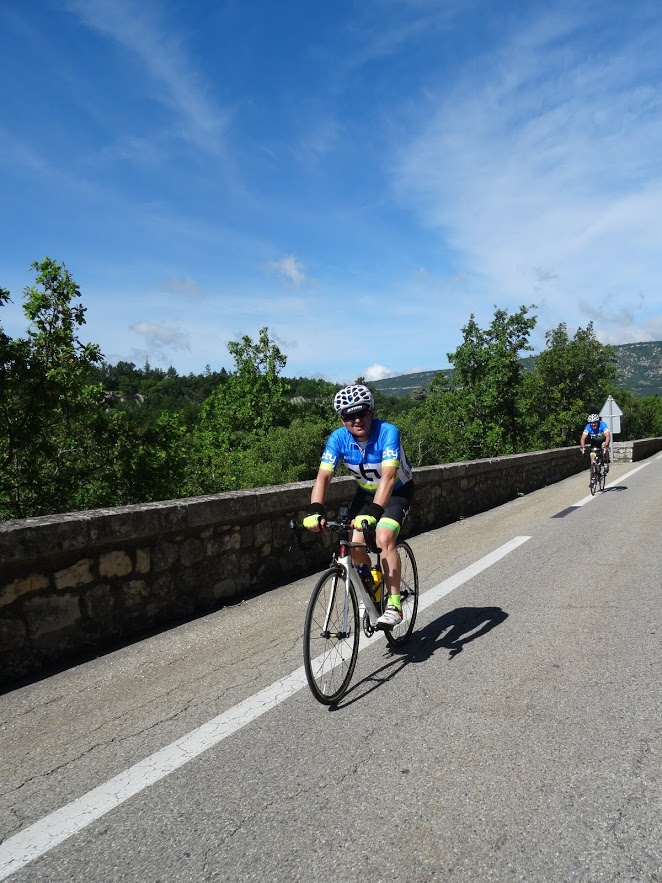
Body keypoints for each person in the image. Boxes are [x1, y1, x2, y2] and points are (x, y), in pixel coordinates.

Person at [303, 384, 414, 628]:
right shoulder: (338, 439)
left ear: (371, 411)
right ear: (342, 419)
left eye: (361, 412)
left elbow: (389, 476)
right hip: (365, 493)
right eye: (348, 416)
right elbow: (323, 476)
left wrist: (375, 512)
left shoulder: (387, 432)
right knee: (353, 542)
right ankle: (372, 587)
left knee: (384, 536)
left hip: (396, 491)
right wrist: (315, 509)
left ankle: (394, 605)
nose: (356, 420)